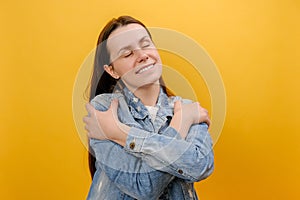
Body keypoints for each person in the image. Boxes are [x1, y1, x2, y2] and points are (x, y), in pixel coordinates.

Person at [83, 15, 214, 200]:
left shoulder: (188, 108)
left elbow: (200, 166)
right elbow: (143, 188)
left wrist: (121, 134)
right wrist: (180, 123)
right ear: (112, 70)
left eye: (146, 45)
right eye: (127, 54)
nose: (143, 56)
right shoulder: (104, 109)